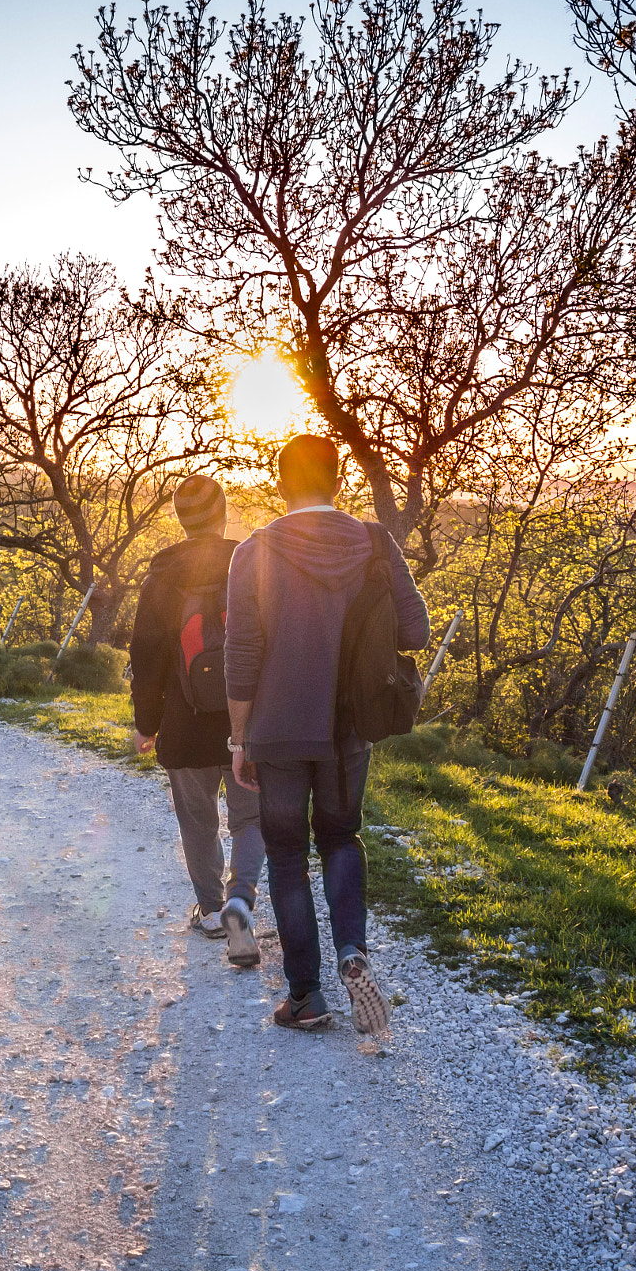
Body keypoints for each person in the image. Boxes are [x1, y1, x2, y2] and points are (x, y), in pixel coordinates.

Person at [224, 435, 428, 1032]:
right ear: (338, 479)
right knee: (341, 838)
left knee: (286, 857)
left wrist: (240, 740)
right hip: (347, 730)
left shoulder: (254, 552)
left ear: (280, 481)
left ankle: (306, 997)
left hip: (277, 730)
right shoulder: (374, 542)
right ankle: (352, 952)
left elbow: (241, 656)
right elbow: (414, 631)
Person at [130, 474, 266, 966]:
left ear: (182, 521)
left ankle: (211, 910)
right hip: (246, 723)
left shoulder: (161, 579)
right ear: (223, 513)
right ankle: (241, 899)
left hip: (184, 725)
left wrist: (147, 723)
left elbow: (146, 658)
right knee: (251, 818)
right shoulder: (251, 564)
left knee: (198, 820)